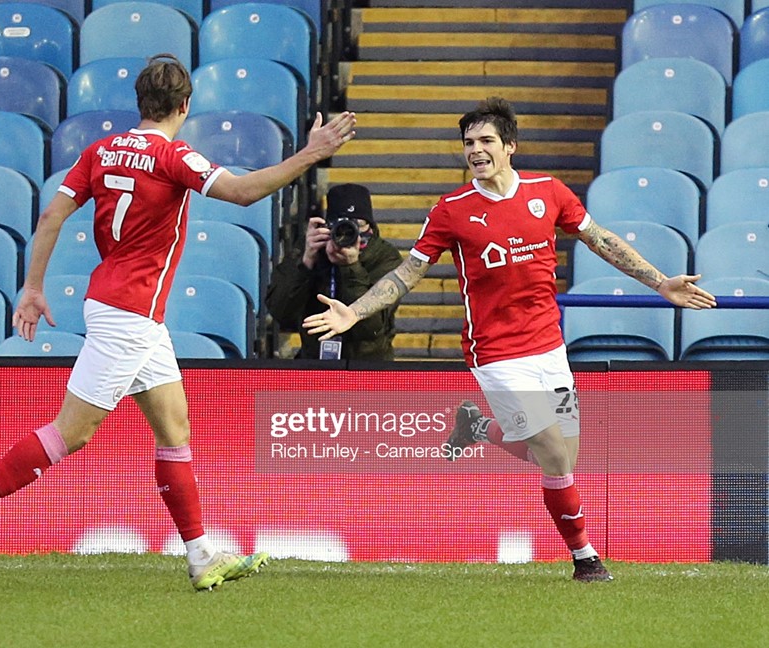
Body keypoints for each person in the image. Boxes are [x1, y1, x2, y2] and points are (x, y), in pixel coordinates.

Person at [0, 53, 356, 590]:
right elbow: (245, 192)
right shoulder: (172, 156)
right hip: (129, 313)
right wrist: (311, 153)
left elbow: (51, 215)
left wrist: (34, 286)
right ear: (184, 106)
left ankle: (202, 556)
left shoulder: (100, 149)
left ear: (141, 103)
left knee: (174, 430)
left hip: (129, 312)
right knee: (73, 433)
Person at [302, 97, 716, 582]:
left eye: (485, 141)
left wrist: (661, 282)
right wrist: (355, 309)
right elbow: (409, 272)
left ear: (510, 146)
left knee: (562, 456)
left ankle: (478, 428)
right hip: (496, 352)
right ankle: (586, 559)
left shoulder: (549, 192)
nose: (476, 150)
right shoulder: (452, 210)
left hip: (549, 347)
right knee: (554, 453)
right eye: (468, 143)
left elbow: (600, 238)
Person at [266, 183, 401, 360]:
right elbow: (281, 312)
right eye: (340, 225)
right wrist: (306, 262)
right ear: (328, 226)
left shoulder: (386, 257)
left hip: (369, 364)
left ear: (370, 226)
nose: (348, 233)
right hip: (315, 361)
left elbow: (370, 328)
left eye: (357, 225)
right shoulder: (310, 249)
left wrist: (351, 267)